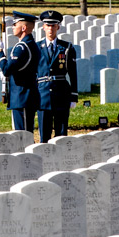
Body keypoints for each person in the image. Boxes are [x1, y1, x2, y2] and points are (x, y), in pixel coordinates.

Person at [36, 10, 78, 142]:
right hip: (42, 94)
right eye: (47, 25)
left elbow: (73, 73)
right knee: (44, 133)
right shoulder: (36, 48)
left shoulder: (66, 48)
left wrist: (74, 95)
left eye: (53, 25)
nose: (50, 29)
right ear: (43, 27)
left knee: (61, 133)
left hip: (61, 93)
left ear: (58, 27)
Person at [0, 10, 41, 133]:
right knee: (21, 133)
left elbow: (7, 69)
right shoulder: (31, 44)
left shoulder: (22, 47)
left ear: (24, 28)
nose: (13, 27)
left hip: (23, 96)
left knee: (24, 135)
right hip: (23, 96)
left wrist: (0, 53)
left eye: (15, 24)